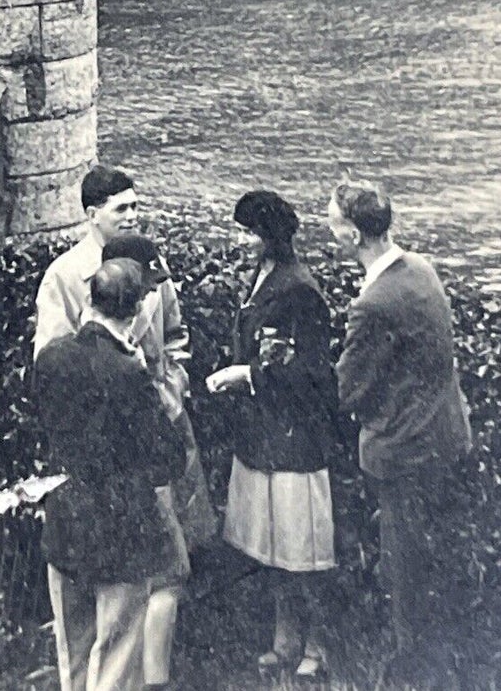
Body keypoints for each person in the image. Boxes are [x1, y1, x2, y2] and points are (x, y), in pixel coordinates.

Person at [329, 179, 472, 683]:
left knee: (405, 567)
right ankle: (435, 656)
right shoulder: (420, 270)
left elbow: (348, 388)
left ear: (352, 236)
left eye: (333, 222)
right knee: (429, 557)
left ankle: (413, 669)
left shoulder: (373, 303)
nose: (328, 230)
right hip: (442, 437)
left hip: (402, 451)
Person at [34, 259, 188, 691]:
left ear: (91, 300)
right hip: (122, 527)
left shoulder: (52, 357)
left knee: (74, 650)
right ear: (137, 310)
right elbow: (167, 457)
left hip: (66, 518)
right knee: (117, 653)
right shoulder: (128, 373)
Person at [207, 190, 340, 678]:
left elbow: (313, 375)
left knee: (302, 551)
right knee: (276, 549)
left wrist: (247, 376)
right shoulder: (261, 278)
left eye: (245, 232)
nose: (237, 240)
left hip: (293, 443)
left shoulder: (299, 290)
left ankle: (317, 646)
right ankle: (286, 641)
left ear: (267, 238)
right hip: (263, 437)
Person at [99, 234, 216, 690]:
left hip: (167, 424)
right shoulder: (94, 305)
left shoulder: (155, 287)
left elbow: (177, 337)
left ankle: (152, 674)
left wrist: (175, 384)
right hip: (130, 453)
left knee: (173, 555)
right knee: (158, 565)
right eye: (145, 286)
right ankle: (147, 677)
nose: (152, 291)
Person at [34, 166, 140, 357]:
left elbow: (174, 336)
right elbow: (51, 362)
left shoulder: (151, 262)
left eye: (134, 206)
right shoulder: (63, 276)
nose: (132, 217)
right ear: (93, 215)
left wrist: (172, 383)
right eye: (121, 209)